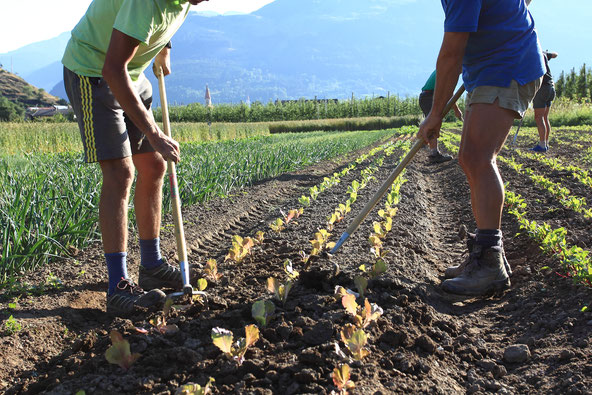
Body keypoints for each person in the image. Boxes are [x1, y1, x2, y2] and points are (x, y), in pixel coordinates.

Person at [62, 0, 209, 316]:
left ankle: (152, 264)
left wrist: (164, 46)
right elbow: (112, 68)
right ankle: (117, 287)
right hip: (94, 71)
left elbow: (152, 26)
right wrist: (154, 133)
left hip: (132, 73)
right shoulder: (145, 1)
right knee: (120, 173)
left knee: (154, 164)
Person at [418, 0, 545, 296]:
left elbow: (451, 53)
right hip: (493, 65)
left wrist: (435, 114)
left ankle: (490, 263)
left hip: (506, 66)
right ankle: (483, 254)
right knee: (469, 158)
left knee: (479, 157)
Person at [419, 70, 464, 163]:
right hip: (429, 96)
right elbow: (449, 93)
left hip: (427, 96)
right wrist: (456, 110)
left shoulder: (445, 66)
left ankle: (433, 151)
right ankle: (434, 154)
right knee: (433, 124)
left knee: (434, 124)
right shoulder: (450, 71)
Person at [531, 50, 558, 152]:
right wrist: (547, 53)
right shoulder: (542, 53)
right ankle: (545, 143)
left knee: (539, 117)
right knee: (545, 117)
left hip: (541, 88)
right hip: (551, 87)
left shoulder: (531, 54)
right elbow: (555, 54)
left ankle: (542, 145)